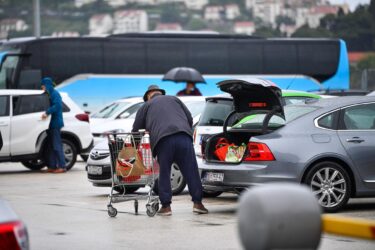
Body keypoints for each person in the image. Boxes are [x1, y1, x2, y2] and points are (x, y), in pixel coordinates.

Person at [133, 85, 208, 216]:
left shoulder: (146, 106)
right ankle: (198, 204)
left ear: (148, 96)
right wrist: (183, 130)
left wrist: (134, 148)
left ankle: (166, 207)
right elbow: (189, 118)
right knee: (191, 171)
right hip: (184, 137)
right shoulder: (175, 99)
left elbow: (136, 130)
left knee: (165, 173)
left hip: (163, 141)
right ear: (160, 93)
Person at [41, 77, 66, 173]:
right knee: (51, 146)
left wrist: (47, 112)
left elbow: (57, 106)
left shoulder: (55, 94)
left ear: (47, 85)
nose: (42, 88)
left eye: (43, 86)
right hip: (50, 124)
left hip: (55, 123)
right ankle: (52, 166)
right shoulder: (50, 94)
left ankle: (62, 166)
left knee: (56, 145)